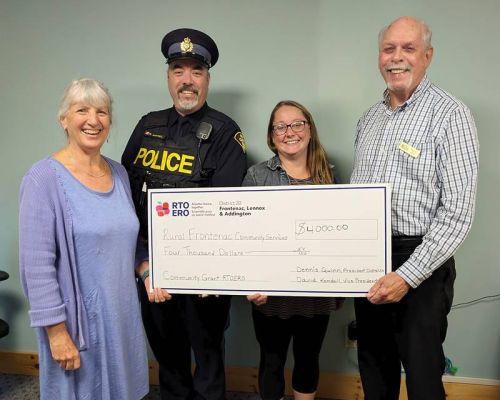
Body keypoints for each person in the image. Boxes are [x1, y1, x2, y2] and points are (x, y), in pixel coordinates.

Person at [350, 16, 479, 400]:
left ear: (428, 55)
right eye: (389, 49)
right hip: (369, 255)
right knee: (374, 365)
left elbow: (458, 212)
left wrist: (407, 275)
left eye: (408, 49)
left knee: (422, 373)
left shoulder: (451, 115)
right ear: (379, 57)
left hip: (421, 258)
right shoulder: (369, 119)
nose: (397, 58)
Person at [121, 28, 247, 400]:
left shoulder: (226, 133)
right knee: (168, 362)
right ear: (169, 77)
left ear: (207, 79)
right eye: (178, 69)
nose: (187, 80)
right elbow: (124, 198)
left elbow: (224, 211)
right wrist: (143, 265)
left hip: (203, 275)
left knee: (208, 364)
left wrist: (203, 269)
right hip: (153, 273)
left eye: (196, 71)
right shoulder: (147, 126)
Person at [19, 78, 149, 400]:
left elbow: (126, 240)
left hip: (122, 317)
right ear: (64, 119)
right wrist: (56, 331)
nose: (93, 120)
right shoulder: (43, 178)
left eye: (102, 112)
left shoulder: (119, 174)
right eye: (82, 110)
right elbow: (36, 267)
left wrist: (145, 269)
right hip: (77, 326)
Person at [243, 100, 342, 400]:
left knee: (308, 358)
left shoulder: (329, 176)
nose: (290, 132)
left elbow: (340, 236)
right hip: (270, 294)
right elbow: (244, 237)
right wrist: (250, 282)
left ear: (309, 129)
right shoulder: (256, 177)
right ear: (271, 137)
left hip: (316, 293)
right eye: (280, 126)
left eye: (297, 124)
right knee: (271, 360)